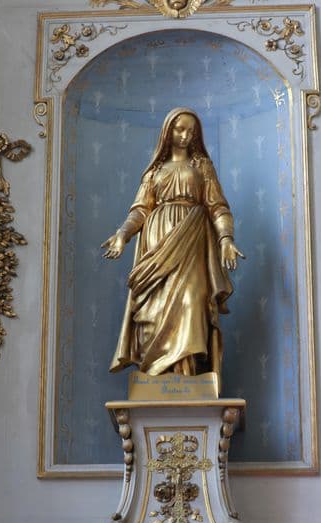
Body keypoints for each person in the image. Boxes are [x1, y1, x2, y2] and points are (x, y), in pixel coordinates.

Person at [101, 107, 244, 383]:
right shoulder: (154, 172)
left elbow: (217, 207)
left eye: (191, 131)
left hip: (193, 242)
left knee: (192, 303)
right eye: (179, 129)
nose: (185, 135)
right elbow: (140, 211)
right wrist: (122, 235)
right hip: (157, 245)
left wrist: (226, 238)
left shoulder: (202, 167)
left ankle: (189, 376)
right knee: (153, 312)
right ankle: (158, 377)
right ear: (168, 132)